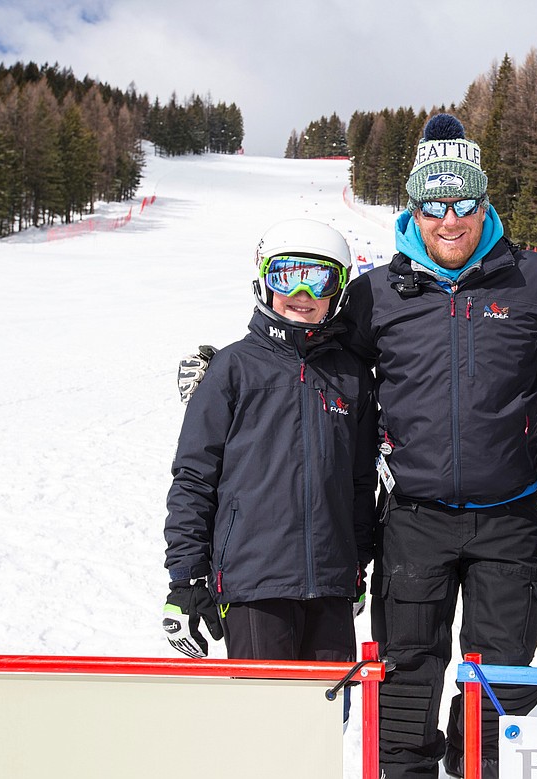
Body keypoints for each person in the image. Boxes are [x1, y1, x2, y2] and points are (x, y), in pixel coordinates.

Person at [341, 113, 537, 779]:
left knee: (501, 669)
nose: (451, 220)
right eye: (434, 205)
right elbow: (324, 368)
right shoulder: (375, 295)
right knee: (407, 668)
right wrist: (240, 369)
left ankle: (476, 767)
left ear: (485, 202)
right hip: (413, 518)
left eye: (464, 203)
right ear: (414, 208)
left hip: (507, 515)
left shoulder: (531, 279)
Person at [162, 219, 378, 675]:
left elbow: (360, 483)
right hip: (254, 582)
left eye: (317, 278)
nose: (301, 293)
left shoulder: (351, 376)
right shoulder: (232, 369)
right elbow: (195, 478)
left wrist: (357, 566)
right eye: (287, 275)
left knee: (322, 723)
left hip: (332, 583)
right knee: (265, 720)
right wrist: (185, 577)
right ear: (264, 279)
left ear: (338, 291)